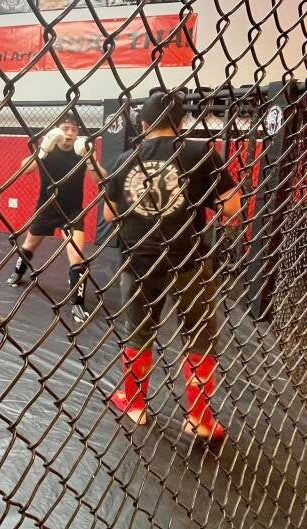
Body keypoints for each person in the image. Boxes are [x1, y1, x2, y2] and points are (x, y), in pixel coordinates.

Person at [102, 91, 242, 438]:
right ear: (180, 123)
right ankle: (199, 419)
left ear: (143, 124)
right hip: (187, 259)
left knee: (139, 330)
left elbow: (108, 214)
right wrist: (196, 198)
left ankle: (135, 405)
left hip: (139, 260)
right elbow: (232, 208)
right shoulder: (199, 153)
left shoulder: (124, 159)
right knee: (199, 335)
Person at [7, 113, 99, 323]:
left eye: (74, 129)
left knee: (77, 257)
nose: (70, 133)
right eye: (65, 128)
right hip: (46, 208)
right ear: (57, 131)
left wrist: (91, 159)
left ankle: (77, 305)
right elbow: (25, 169)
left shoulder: (81, 151)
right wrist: (42, 150)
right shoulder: (47, 151)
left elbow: (100, 178)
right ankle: (17, 273)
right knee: (29, 245)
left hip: (72, 211)